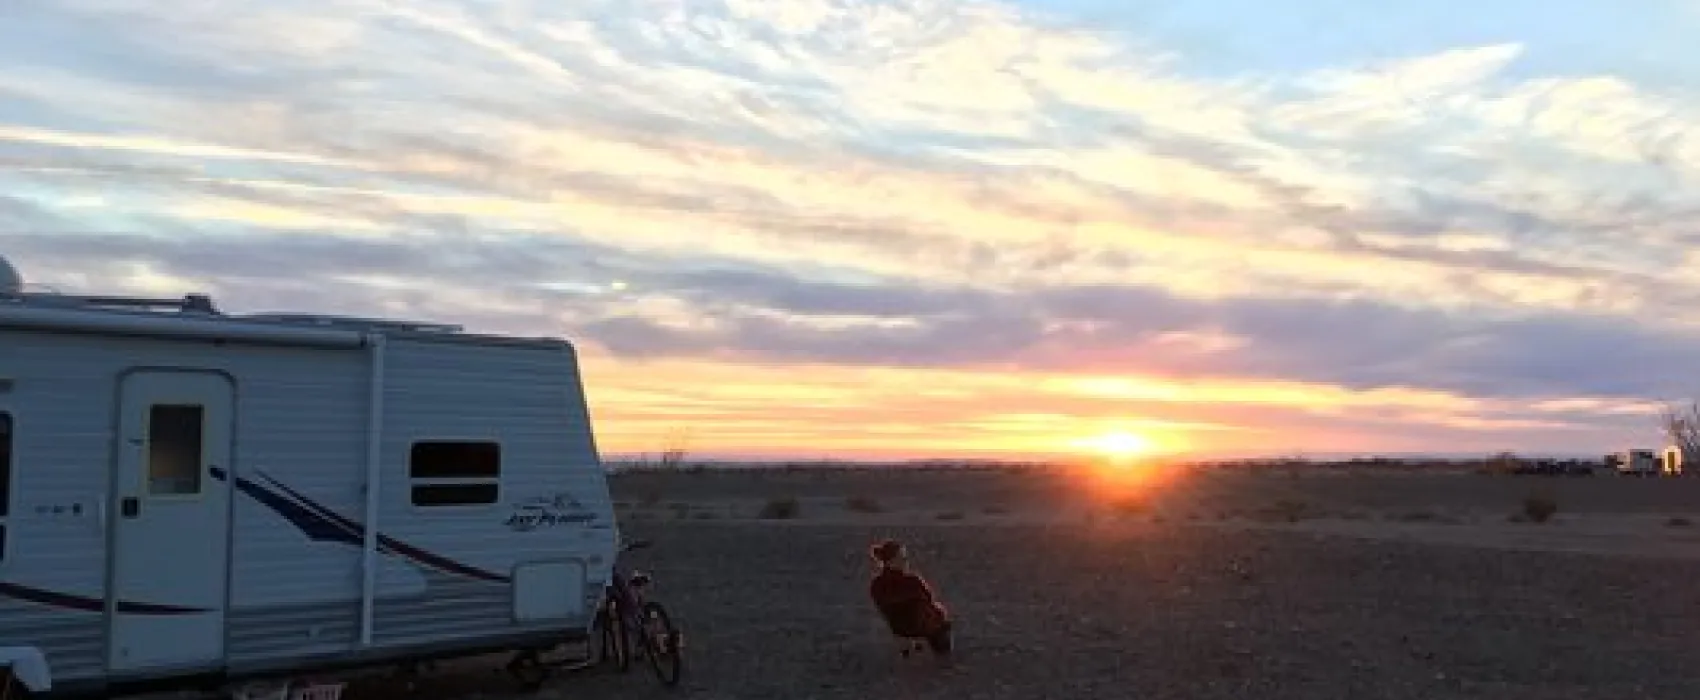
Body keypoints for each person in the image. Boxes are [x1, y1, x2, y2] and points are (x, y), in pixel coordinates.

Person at [867, 539, 953, 660]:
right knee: (940, 624)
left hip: (897, 627)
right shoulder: (912, 581)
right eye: (902, 557)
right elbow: (929, 598)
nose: (906, 561)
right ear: (892, 561)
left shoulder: (876, 584)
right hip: (919, 626)